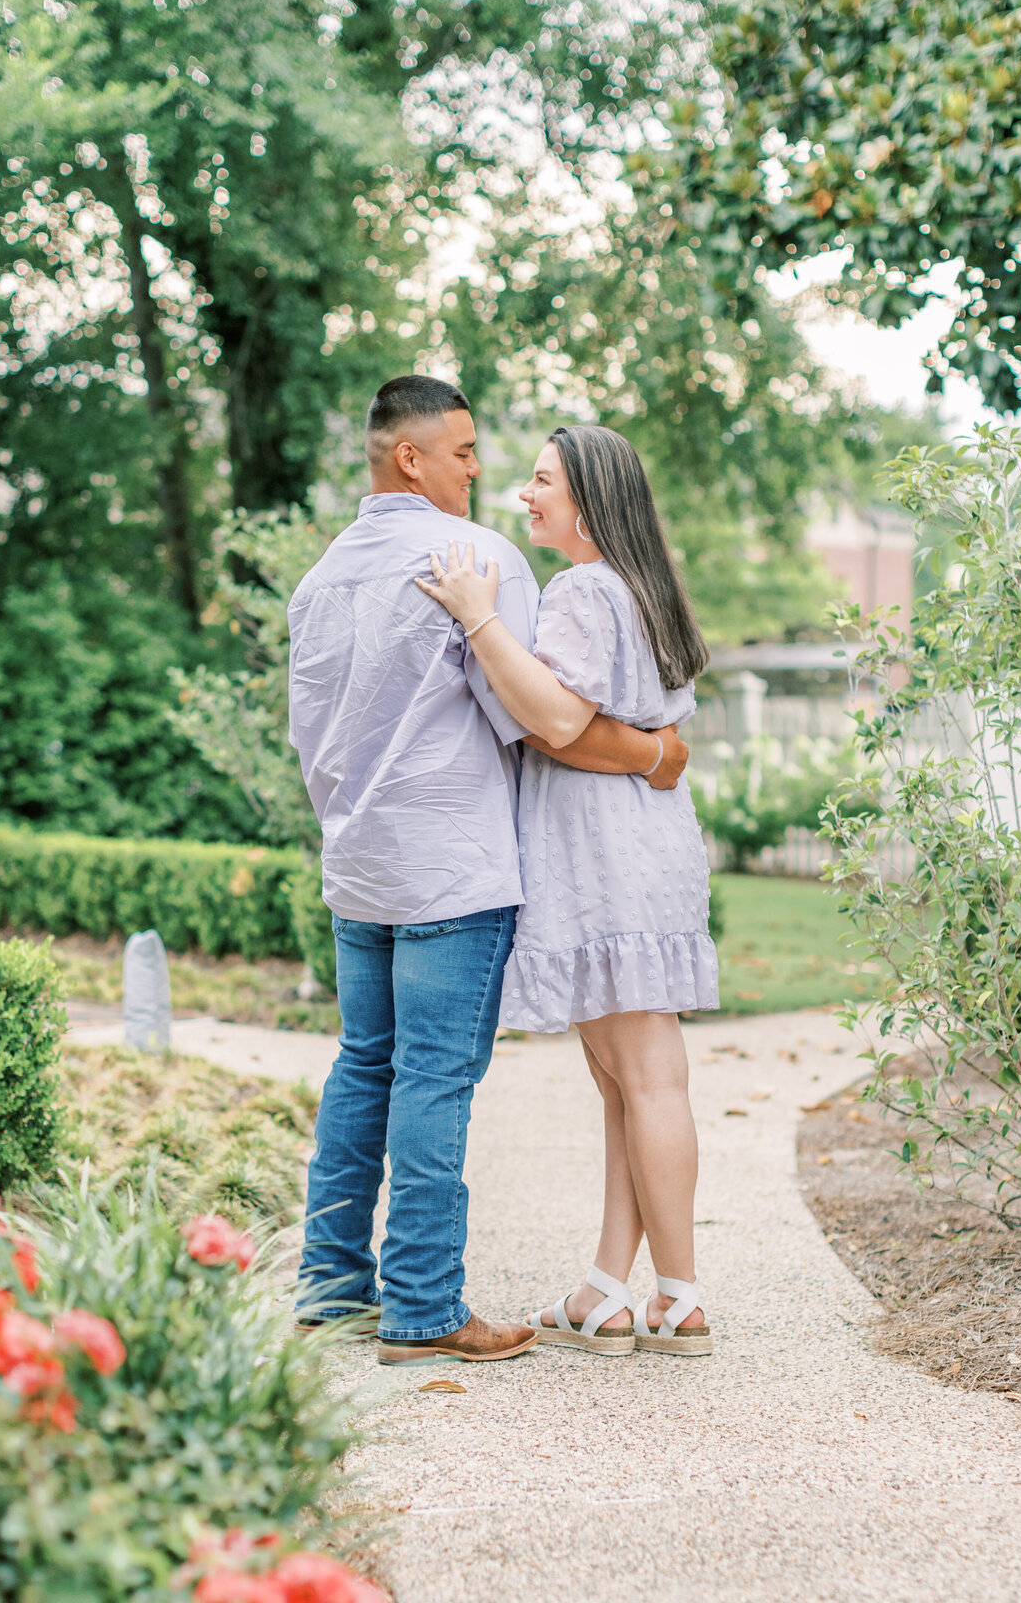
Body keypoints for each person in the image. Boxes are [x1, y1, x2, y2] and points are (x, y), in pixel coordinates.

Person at [287, 377, 691, 1366]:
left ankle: (332, 1285)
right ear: (410, 457)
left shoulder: (320, 578)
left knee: (361, 1066)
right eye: (463, 452)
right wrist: (658, 751)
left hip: (359, 866)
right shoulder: (477, 563)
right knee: (433, 1078)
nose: (483, 472)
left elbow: (310, 733)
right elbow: (545, 721)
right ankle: (423, 1309)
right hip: (452, 872)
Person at [417, 423, 719, 1358]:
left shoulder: (585, 588)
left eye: (542, 481)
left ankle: (679, 1298)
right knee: (626, 1084)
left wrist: (478, 616)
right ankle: (605, 1286)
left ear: (586, 499)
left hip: (605, 854)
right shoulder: (639, 588)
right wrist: (656, 754)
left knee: (649, 1078)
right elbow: (635, 733)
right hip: (643, 843)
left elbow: (554, 720)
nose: (524, 494)